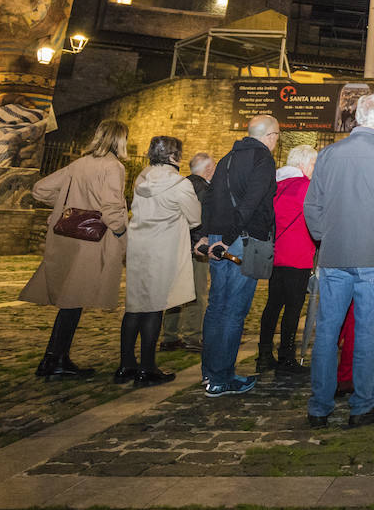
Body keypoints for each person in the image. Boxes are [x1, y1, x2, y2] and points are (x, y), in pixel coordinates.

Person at [304, 93, 374, 428]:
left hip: (335, 254)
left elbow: (312, 207)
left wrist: (326, 236)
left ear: (356, 117)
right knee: (368, 331)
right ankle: (362, 405)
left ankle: (319, 406)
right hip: (373, 255)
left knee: (327, 331)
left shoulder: (328, 155)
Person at [21, 119, 130, 380]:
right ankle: (55, 358)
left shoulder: (79, 163)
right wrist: (121, 231)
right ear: (120, 139)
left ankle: (55, 356)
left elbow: (40, 189)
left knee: (71, 299)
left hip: (67, 236)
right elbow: (112, 206)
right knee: (74, 299)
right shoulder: (113, 167)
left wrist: (66, 204)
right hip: (91, 241)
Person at [201, 114, 279, 398]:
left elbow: (209, 199)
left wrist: (206, 236)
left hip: (217, 239)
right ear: (270, 136)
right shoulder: (263, 160)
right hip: (240, 242)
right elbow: (251, 203)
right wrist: (230, 239)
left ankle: (210, 374)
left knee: (216, 308)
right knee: (233, 312)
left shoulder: (226, 158)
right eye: (277, 137)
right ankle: (222, 378)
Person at [118, 136, 201, 386]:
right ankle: (147, 367)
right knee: (155, 306)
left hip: (138, 246)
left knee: (134, 305)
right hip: (163, 248)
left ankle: (125, 364)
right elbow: (195, 217)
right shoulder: (180, 184)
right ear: (175, 157)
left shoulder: (141, 178)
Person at [256, 144, 319, 375]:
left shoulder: (276, 184)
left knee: (272, 305)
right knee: (293, 308)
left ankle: (263, 355)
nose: (315, 169)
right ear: (303, 164)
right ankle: (286, 356)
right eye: (313, 163)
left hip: (276, 254)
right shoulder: (305, 186)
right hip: (298, 254)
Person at [160, 151, 215, 351]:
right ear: (208, 169)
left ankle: (169, 335)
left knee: (175, 292)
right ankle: (193, 336)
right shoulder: (203, 189)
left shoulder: (181, 185)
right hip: (193, 249)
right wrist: (199, 244)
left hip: (175, 246)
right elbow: (199, 220)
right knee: (197, 292)